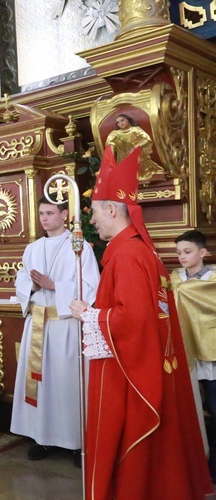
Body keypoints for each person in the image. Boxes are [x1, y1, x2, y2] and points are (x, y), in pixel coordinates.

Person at [69, 146, 212, 499]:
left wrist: (89, 314)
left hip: (130, 375)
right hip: (142, 367)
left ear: (113, 209)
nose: (93, 221)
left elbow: (135, 320)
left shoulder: (129, 255)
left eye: (96, 213)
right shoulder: (136, 250)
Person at [10, 197, 99, 467]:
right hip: (38, 323)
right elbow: (22, 280)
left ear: (64, 215)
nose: (44, 218)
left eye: (50, 213)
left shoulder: (79, 245)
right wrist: (34, 288)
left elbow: (90, 286)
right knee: (42, 383)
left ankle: (76, 443)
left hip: (65, 325)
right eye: (41, 213)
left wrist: (54, 285)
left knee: (67, 383)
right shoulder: (32, 248)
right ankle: (42, 437)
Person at [171, 229, 215, 476]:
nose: (182, 257)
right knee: (188, 409)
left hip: (211, 352)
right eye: (178, 253)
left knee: (214, 408)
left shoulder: (213, 279)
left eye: (187, 252)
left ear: (203, 252)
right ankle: (191, 462)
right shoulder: (174, 279)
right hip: (183, 351)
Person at [105, 113, 161, 181]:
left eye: (122, 120)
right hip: (123, 155)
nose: (120, 123)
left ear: (128, 120)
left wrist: (136, 147)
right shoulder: (115, 133)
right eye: (118, 122)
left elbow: (146, 139)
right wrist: (112, 145)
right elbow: (110, 142)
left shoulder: (136, 129)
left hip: (137, 153)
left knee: (142, 167)